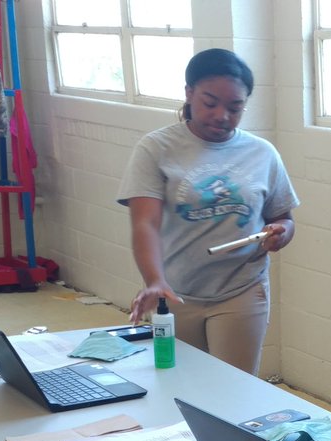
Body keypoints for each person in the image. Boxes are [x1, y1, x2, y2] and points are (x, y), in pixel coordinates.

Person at [117, 48, 299, 375]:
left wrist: (281, 233)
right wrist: (154, 281)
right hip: (175, 290)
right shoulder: (156, 148)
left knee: (235, 390)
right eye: (210, 103)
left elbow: (282, 217)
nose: (222, 116)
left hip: (241, 288)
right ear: (189, 93)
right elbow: (145, 224)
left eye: (235, 107)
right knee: (181, 387)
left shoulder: (262, 153)